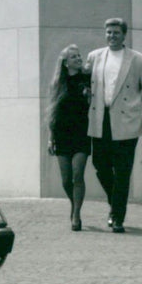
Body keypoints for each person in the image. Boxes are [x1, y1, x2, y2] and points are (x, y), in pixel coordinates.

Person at [86, 18, 142, 232]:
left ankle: (117, 217)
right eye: (108, 32)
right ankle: (116, 203)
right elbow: (83, 83)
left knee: (123, 171)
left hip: (127, 123)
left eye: (116, 32)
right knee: (100, 165)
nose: (111, 36)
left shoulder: (138, 60)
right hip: (100, 120)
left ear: (124, 35)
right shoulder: (94, 57)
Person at [47, 45, 91, 230]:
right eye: (74, 56)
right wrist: (50, 138)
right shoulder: (57, 84)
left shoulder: (87, 80)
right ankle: (74, 205)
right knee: (66, 180)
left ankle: (77, 215)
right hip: (62, 135)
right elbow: (52, 114)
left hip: (81, 133)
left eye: (79, 55)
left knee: (77, 175)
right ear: (66, 63)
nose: (78, 58)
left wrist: (89, 97)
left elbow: (94, 106)